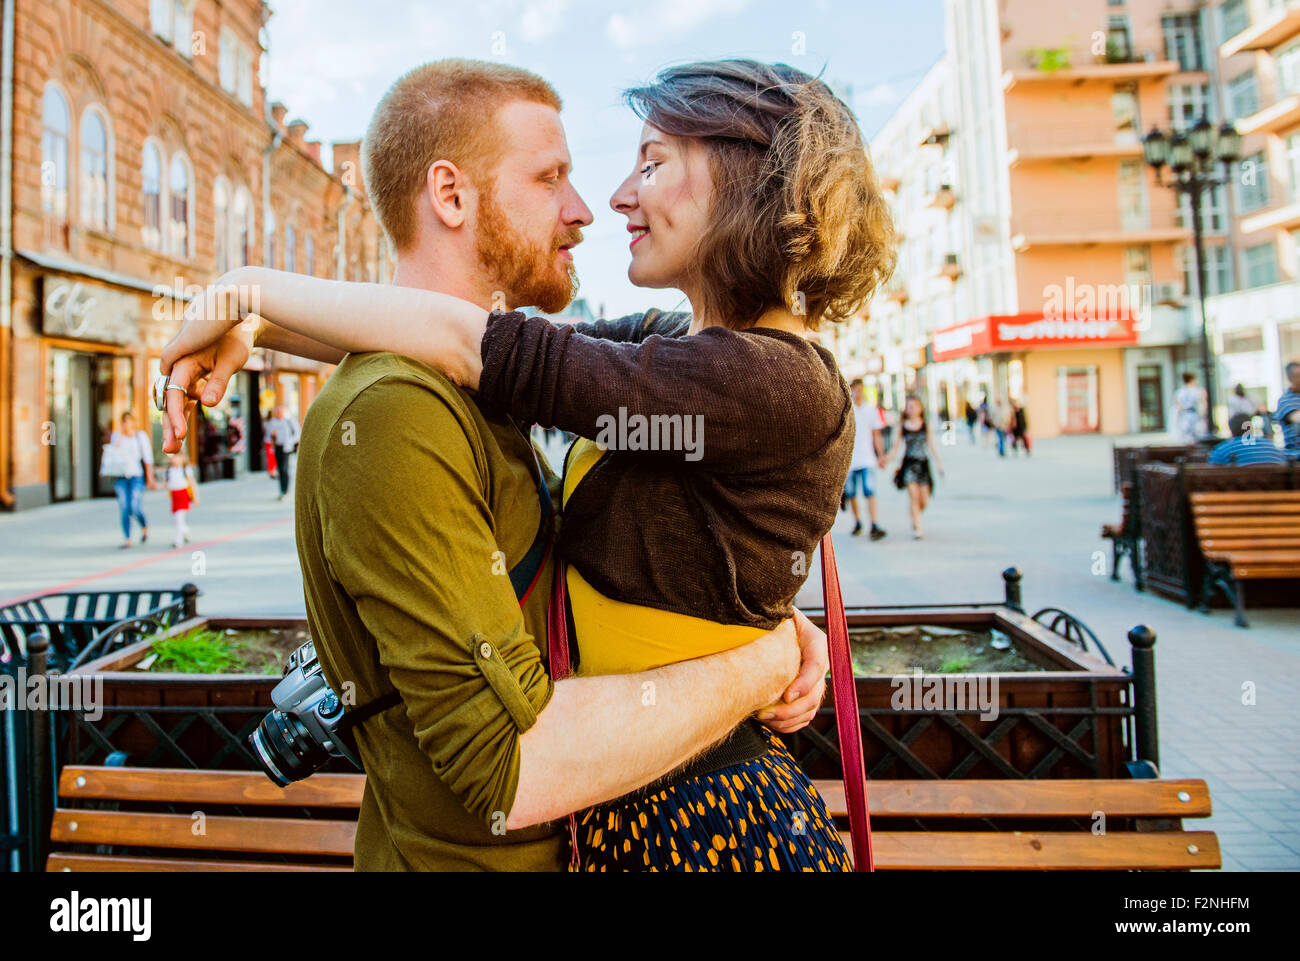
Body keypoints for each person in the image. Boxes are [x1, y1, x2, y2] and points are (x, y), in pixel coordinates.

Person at [161, 58, 893, 871]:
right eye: (554, 178)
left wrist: (248, 292)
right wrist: (259, 326)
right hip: (629, 803)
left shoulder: (777, 380)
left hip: (703, 820)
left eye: (652, 164)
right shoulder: (673, 348)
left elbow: (486, 348)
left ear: (746, 185)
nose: (612, 199)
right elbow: (472, 344)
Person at [884, 395, 944, 539]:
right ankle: (918, 527)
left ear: (920, 408)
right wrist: (886, 459)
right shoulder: (903, 427)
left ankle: (915, 514)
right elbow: (896, 447)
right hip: (909, 465)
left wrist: (939, 463)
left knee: (924, 499)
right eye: (909, 406)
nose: (911, 409)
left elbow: (932, 445)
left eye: (914, 406)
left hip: (923, 465)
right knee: (914, 497)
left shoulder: (925, 425)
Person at [105, 412, 155, 548]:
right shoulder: (117, 436)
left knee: (134, 507)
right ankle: (127, 538)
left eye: (128, 422)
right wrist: (121, 435)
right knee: (124, 507)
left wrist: (150, 478)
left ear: (133, 422)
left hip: (136, 476)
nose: (126, 425)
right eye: (124, 422)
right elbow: (114, 453)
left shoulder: (140, 436)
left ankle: (144, 525)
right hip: (120, 477)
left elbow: (148, 458)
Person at [845, 378, 887, 539]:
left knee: (870, 492)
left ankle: (874, 524)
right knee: (851, 493)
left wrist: (881, 455)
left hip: (867, 459)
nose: (858, 393)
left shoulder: (871, 410)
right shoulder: (848, 411)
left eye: (860, 389)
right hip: (850, 460)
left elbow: (876, 435)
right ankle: (857, 521)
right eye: (855, 389)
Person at [1208, 412, 1293, 465]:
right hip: (1276, 492)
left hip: (1239, 493)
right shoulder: (1271, 446)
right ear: (1251, 428)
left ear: (1231, 431)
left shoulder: (1222, 450)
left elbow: (1212, 470)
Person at [264, 405, 300, 501]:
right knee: (280, 469)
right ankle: (281, 490)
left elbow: (297, 434)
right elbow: (268, 436)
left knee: (284, 468)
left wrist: (290, 441)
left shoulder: (289, 421)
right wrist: (272, 438)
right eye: (277, 412)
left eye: (280, 411)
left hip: (286, 448)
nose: (279, 413)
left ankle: (285, 490)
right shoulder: (272, 422)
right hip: (277, 447)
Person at [164, 452, 198, 547]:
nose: (174, 460)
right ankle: (186, 531)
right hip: (174, 496)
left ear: (182, 458)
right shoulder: (169, 471)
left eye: (177, 457)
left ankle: (178, 540)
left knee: (179, 518)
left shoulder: (185, 470)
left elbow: (192, 483)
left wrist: (195, 497)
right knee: (176, 518)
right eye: (172, 458)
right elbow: (166, 484)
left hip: (183, 495)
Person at [1274, 361, 1300, 453]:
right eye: (1298, 376)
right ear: (1290, 378)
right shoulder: (1285, 400)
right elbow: (1297, 418)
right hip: (1296, 454)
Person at [1175, 371, 1205, 442]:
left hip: (1185, 415)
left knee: (1186, 437)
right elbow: (1203, 403)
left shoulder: (1179, 392)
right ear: (1192, 380)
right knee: (1197, 436)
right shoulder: (1198, 391)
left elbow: (1179, 407)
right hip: (1194, 414)